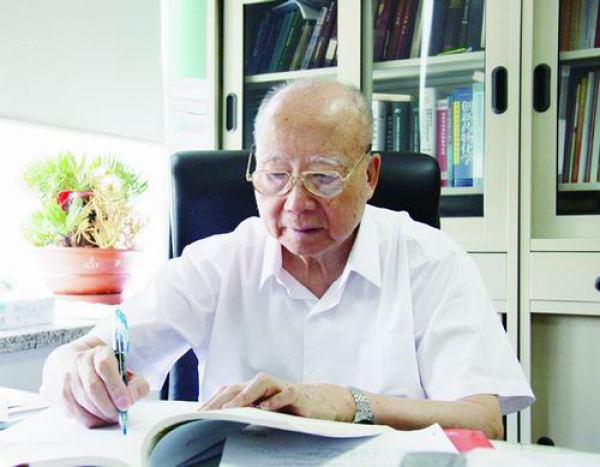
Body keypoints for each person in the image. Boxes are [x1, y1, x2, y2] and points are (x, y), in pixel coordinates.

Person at [40, 78, 534, 439]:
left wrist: (348, 404)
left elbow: (482, 419)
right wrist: (75, 373)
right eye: (276, 175)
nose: (296, 203)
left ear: (370, 176)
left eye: (322, 177)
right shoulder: (216, 263)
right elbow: (86, 353)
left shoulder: (432, 261)